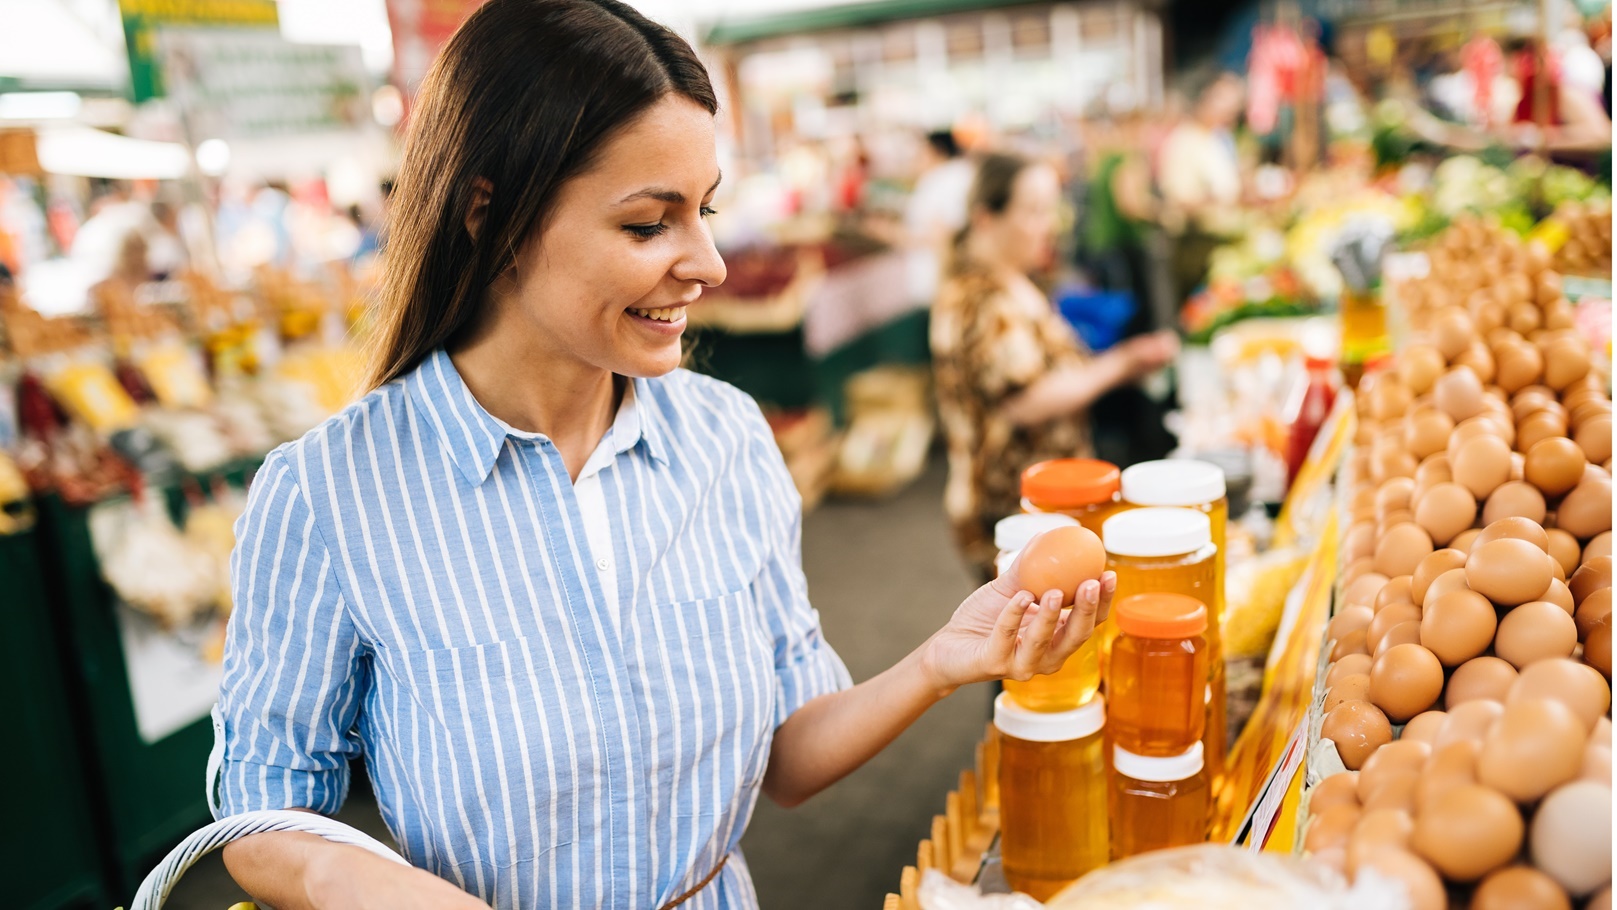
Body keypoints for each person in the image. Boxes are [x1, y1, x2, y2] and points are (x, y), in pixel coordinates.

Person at [212, 3, 1116, 909]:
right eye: (650, 225)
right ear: (492, 214)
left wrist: (939, 661)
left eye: (706, 209)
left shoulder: (723, 438)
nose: (710, 262)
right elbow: (261, 818)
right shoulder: (328, 494)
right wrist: (364, 883)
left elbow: (788, 756)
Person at [931, 153, 1179, 581]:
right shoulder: (977, 299)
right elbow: (1028, 400)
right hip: (1012, 512)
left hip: (1044, 505)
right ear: (985, 217)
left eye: (1050, 210)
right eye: (1033, 212)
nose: (1048, 225)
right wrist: (1125, 362)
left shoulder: (1009, 281)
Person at [1158, 72, 1245, 299]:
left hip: (1223, 247)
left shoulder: (1217, 138)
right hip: (1197, 249)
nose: (1231, 110)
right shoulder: (1184, 141)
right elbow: (1180, 200)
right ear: (1203, 101)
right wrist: (1219, 201)